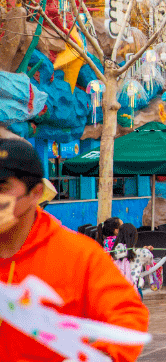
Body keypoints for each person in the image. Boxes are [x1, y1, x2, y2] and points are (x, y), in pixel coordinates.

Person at [0, 138, 149, 361]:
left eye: (3, 187)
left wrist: (99, 355)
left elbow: (127, 315)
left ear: (36, 193)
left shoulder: (79, 255)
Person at [109, 223, 155, 298]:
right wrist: (145, 250)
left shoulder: (113, 253)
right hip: (134, 291)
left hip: (116, 292)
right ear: (134, 237)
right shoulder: (139, 253)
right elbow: (150, 258)